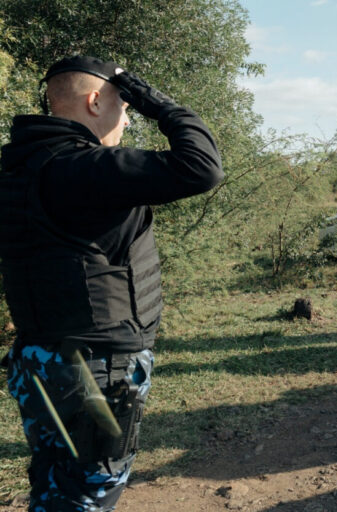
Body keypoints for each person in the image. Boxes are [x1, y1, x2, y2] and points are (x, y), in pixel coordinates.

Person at [0, 56, 224, 510]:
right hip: (93, 367)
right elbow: (202, 167)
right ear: (95, 100)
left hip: (40, 360)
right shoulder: (84, 169)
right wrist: (156, 102)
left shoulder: (16, 168)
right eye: (125, 107)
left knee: (55, 483)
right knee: (89, 493)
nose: (127, 118)